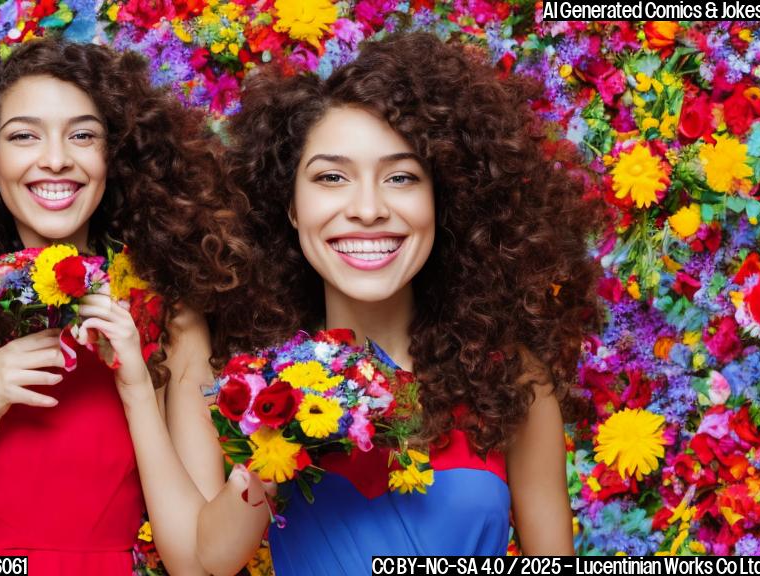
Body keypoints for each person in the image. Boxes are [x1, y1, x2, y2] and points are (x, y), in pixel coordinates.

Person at [195, 31, 603, 574]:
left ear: (442, 199)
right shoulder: (253, 383)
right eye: (332, 177)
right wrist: (272, 441)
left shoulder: (512, 381)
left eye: (402, 177)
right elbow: (210, 562)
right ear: (289, 206)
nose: (368, 209)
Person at [0, 37, 246, 575]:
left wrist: (135, 389)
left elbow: (195, 564)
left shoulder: (171, 319)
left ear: (111, 158)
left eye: (82, 135)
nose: (56, 159)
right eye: (24, 136)